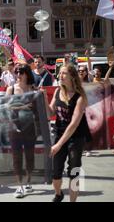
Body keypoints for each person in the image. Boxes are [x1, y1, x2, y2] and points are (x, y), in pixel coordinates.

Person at [43, 64, 91, 202]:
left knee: (74, 170)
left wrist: (58, 145)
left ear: (72, 77)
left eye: (64, 73)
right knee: (56, 171)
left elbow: (74, 124)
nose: (60, 76)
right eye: (60, 73)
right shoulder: (58, 91)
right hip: (59, 133)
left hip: (76, 136)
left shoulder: (80, 97)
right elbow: (50, 113)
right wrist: (45, 99)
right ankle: (58, 194)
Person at [5, 64, 37, 198]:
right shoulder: (11, 89)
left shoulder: (33, 89)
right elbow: (7, 106)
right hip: (14, 127)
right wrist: (23, 106)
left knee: (30, 155)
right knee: (16, 156)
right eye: (17, 72)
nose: (18, 75)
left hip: (30, 126)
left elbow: (37, 109)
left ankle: (29, 181)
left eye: (21, 72)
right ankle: (19, 186)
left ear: (27, 74)